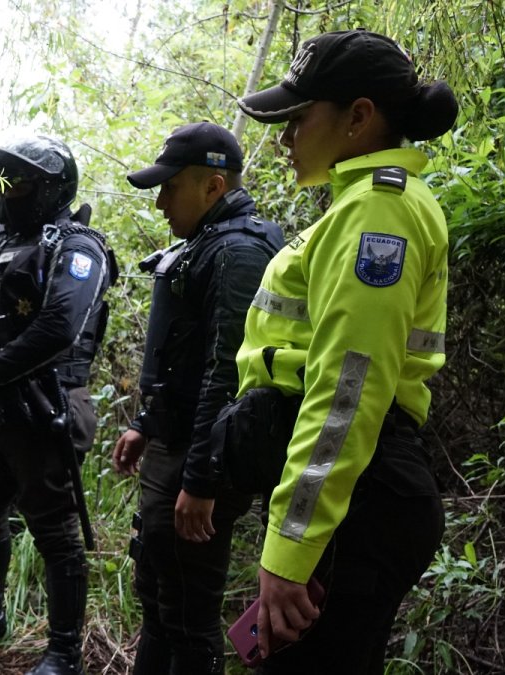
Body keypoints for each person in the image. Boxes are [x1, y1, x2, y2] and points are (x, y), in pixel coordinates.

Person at [232, 29, 459, 672]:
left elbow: (348, 389)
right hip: (363, 490)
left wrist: (291, 547)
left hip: (364, 495)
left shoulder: (379, 213)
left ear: (359, 117)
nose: (284, 138)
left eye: (298, 119)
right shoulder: (363, 206)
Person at [112, 122, 284, 674]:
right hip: (178, 444)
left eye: (170, 188)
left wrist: (201, 479)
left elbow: (227, 371)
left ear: (213, 186)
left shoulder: (240, 251)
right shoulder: (207, 245)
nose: (160, 202)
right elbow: (181, 355)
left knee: (188, 608)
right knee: (160, 591)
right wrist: (144, 421)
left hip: (201, 456)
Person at [0, 134, 115, 675]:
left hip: (48, 404)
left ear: (51, 186)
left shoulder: (78, 246)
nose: (9, 192)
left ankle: (64, 652)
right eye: (3, 182)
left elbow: (60, 326)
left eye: (20, 182)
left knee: (54, 532)